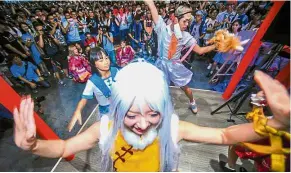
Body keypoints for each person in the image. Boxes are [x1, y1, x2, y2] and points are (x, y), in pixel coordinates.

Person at [13, 61, 290, 172]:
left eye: (153, 113)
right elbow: (63, 147)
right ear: (119, 109)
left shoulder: (171, 128)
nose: (143, 124)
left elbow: (224, 135)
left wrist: (276, 123)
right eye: (132, 115)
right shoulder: (106, 127)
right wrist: (34, 145)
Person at [145, 0, 218, 114]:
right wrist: (149, 3)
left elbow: (200, 50)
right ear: (175, 19)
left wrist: (216, 45)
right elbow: (152, 6)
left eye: (188, 22)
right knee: (158, 86)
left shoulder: (186, 36)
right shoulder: (162, 28)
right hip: (161, 64)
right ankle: (159, 106)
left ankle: (192, 101)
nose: (187, 24)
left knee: (185, 87)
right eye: (184, 21)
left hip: (174, 66)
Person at [67, 47, 118, 132]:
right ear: (94, 64)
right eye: (101, 60)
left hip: (119, 106)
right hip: (107, 113)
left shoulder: (115, 71)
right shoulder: (92, 81)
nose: (106, 62)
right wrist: (78, 110)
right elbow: (84, 99)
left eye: (106, 58)